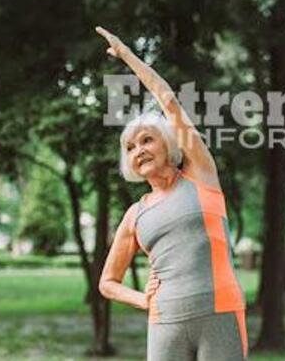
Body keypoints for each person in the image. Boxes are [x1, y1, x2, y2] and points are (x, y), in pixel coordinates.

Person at [96, 27, 247, 361]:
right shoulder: (136, 214)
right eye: (130, 147)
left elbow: (167, 100)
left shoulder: (201, 176)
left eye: (147, 140)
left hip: (220, 312)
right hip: (165, 322)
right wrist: (142, 299)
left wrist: (126, 56)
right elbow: (107, 282)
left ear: (169, 144)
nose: (138, 150)